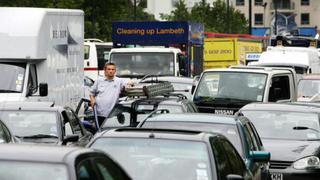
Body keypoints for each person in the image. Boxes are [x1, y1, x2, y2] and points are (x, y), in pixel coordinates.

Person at [90, 62, 128, 127]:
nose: (111, 71)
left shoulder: (119, 81)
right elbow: (91, 93)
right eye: (109, 69)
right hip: (100, 114)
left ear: (115, 71)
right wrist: (92, 100)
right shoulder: (99, 80)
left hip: (113, 115)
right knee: (99, 132)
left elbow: (127, 88)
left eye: (113, 69)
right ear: (105, 70)